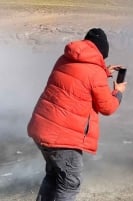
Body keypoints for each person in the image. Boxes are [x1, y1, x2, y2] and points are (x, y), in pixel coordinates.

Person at [27, 28, 127, 201]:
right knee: (69, 183)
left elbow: (80, 76)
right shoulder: (94, 72)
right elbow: (107, 108)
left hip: (41, 128)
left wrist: (103, 71)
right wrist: (118, 92)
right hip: (64, 138)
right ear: (101, 52)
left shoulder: (65, 58)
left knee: (53, 176)